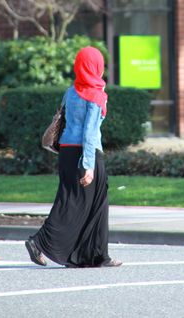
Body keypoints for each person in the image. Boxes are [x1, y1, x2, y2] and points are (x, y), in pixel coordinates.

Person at [25, 46, 122, 268]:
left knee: (72, 201)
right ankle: (39, 242)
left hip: (67, 153)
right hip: (86, 154)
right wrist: (88, 166)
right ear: (96, 67)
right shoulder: (97, 95)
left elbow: (64, 121)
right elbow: (89, 132)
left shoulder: (71, 92)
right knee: (86, 205)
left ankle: (96, 255)